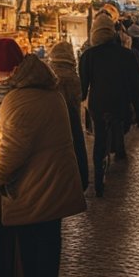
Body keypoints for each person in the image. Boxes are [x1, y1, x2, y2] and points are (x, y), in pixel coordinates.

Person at [0, 38, 86, 277]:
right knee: (49, 239)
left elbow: (13, 154)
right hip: (55, 180)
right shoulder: (47, 89)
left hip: (35, 185)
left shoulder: (20, 100)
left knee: (31, 241)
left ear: (1, 71)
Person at [78, 13, 139, 197]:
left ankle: (98, 178)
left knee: (99, 137)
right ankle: (119, 149)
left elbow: (83, 86)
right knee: (118, 124)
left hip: (98, 104)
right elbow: (136, 85)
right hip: (120, 102)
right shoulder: (126, 55)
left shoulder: (88, 56)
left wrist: (82, 98)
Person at [47, 41, 88, 191]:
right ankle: (80, 181)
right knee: (77, 149)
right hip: (74, 118)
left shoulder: (52, 75)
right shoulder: (73, 75)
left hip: (57, 121)